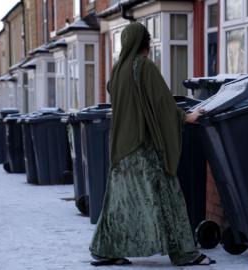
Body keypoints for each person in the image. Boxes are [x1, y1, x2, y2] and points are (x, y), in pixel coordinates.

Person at [89, 22, 214, 267]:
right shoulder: (143, 66)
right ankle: (185, 253)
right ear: (144, 44)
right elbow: (161, 103)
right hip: (143, 147)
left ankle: (105, 250)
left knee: (119, 202)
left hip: (120, 148)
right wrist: (184, 117)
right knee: (168, 197)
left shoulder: (118, 70)